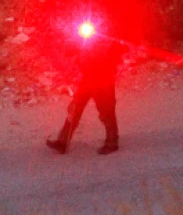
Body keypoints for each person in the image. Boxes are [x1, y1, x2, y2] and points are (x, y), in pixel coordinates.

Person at [46, 26, 126, 155]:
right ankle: (63, 142)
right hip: (89, 77)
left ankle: (112, 142)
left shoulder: (109, 38)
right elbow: (73, 51)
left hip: (103, 79)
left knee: (106, 111)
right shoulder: (90, 38)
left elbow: (109, 55)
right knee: (75, 108)